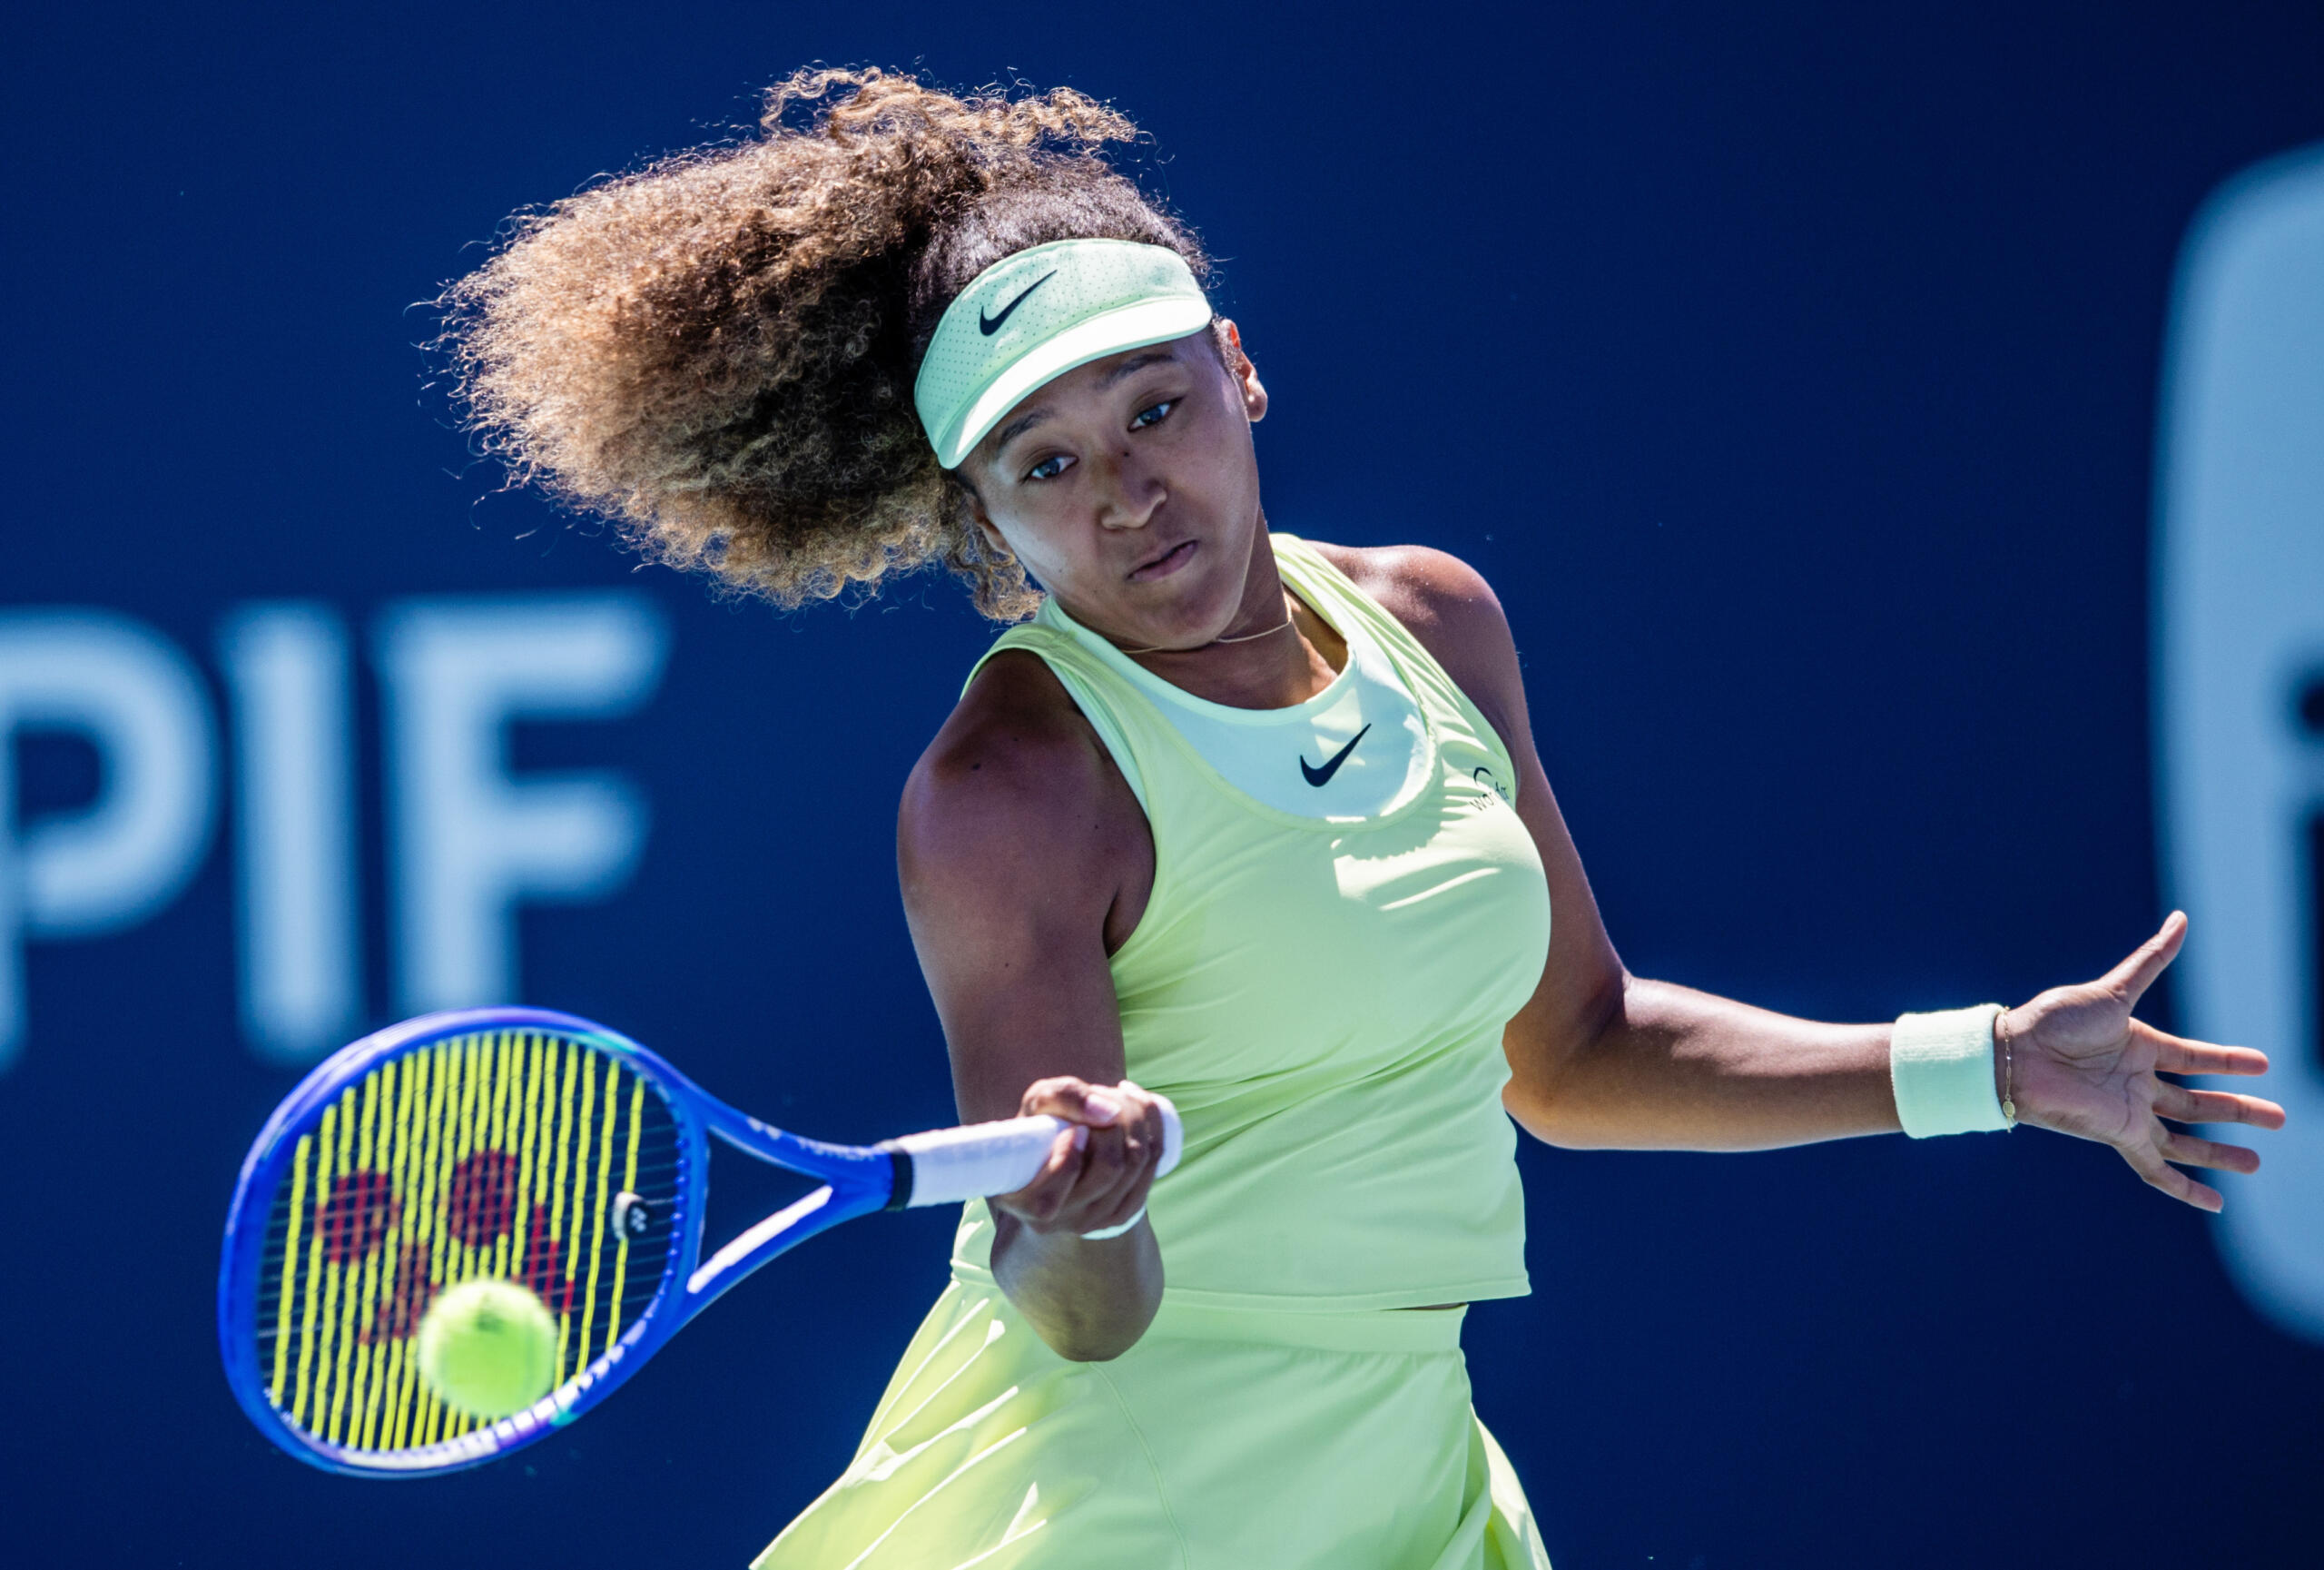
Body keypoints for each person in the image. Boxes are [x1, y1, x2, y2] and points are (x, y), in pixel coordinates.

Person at [440, 67, 2284, 1570]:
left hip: (1408, 1504)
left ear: (1237, 371)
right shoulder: (1011, 792)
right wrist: (1082, 1210)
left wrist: (1988, 1064)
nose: (1128, 494)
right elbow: (1082, 1312)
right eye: (1047, 467)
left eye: (1155, 410)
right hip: (1122, 1533)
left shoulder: (1430, 622)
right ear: (984, 524)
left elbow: (1570, 1051)